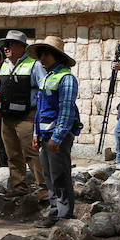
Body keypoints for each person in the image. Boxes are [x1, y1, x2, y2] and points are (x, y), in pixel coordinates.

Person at [30, 35, 81, 228]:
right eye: (40, 55)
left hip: (56, 136)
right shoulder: (47, 77)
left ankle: (64, 215)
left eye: (44, 54)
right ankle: (54, 213)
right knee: (49, 176)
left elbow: (66, 111)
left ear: (55, 56)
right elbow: (40, 110)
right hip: (45, 135)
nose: (41, 58)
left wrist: (58, 137)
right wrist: (36, 134)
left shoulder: (66, 79)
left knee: (60, 175)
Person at [0, 29, 46, 198]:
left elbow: (44, 90)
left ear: (22, 47)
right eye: (5, 45)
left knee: (31, 152)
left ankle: (44, 187)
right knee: (12, 153)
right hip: (7, 117)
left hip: (27, 116)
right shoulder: (4, 65)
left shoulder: (35, 64)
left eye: (10, 44)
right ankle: (19, 187)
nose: (6, 48)